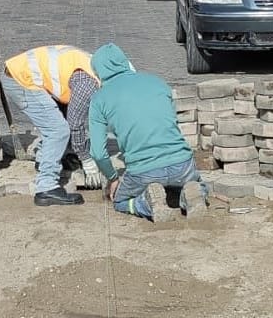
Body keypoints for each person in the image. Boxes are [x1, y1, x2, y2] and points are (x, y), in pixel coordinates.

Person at [87, 43, 208, 222]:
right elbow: (170, 123)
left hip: (143, 171)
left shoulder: (99, 99)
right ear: (124, 62)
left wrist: (112, 178)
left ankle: (146, 204)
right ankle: (191, 194)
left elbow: (97, 152)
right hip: (182, 164)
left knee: (120, 201)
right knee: (194, 183)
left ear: (98, 72)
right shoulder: (157, 82)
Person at [0, 44, 103, 206]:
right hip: (22, 79)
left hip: (21, 71)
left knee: (60, 115)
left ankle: (44, 158)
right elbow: (75, 124)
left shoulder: (94, 64)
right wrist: (86, 159)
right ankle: (46, 187)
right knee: (57, 130)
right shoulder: (87, 82)